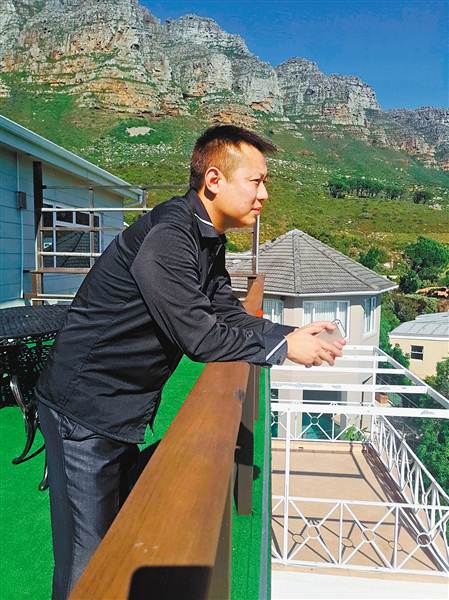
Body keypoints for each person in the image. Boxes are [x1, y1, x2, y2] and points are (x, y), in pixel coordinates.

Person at [36, 125, 345, 599]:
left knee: (115, 532)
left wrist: (286, 334)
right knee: (88, 558)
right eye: (256, 181)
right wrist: (283, 351)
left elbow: (224, 312)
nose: (264, 194)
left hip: (120, 408)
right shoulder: (170, 235)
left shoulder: (205, 237)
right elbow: (199, 335)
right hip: (83, 409)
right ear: (214, 179)